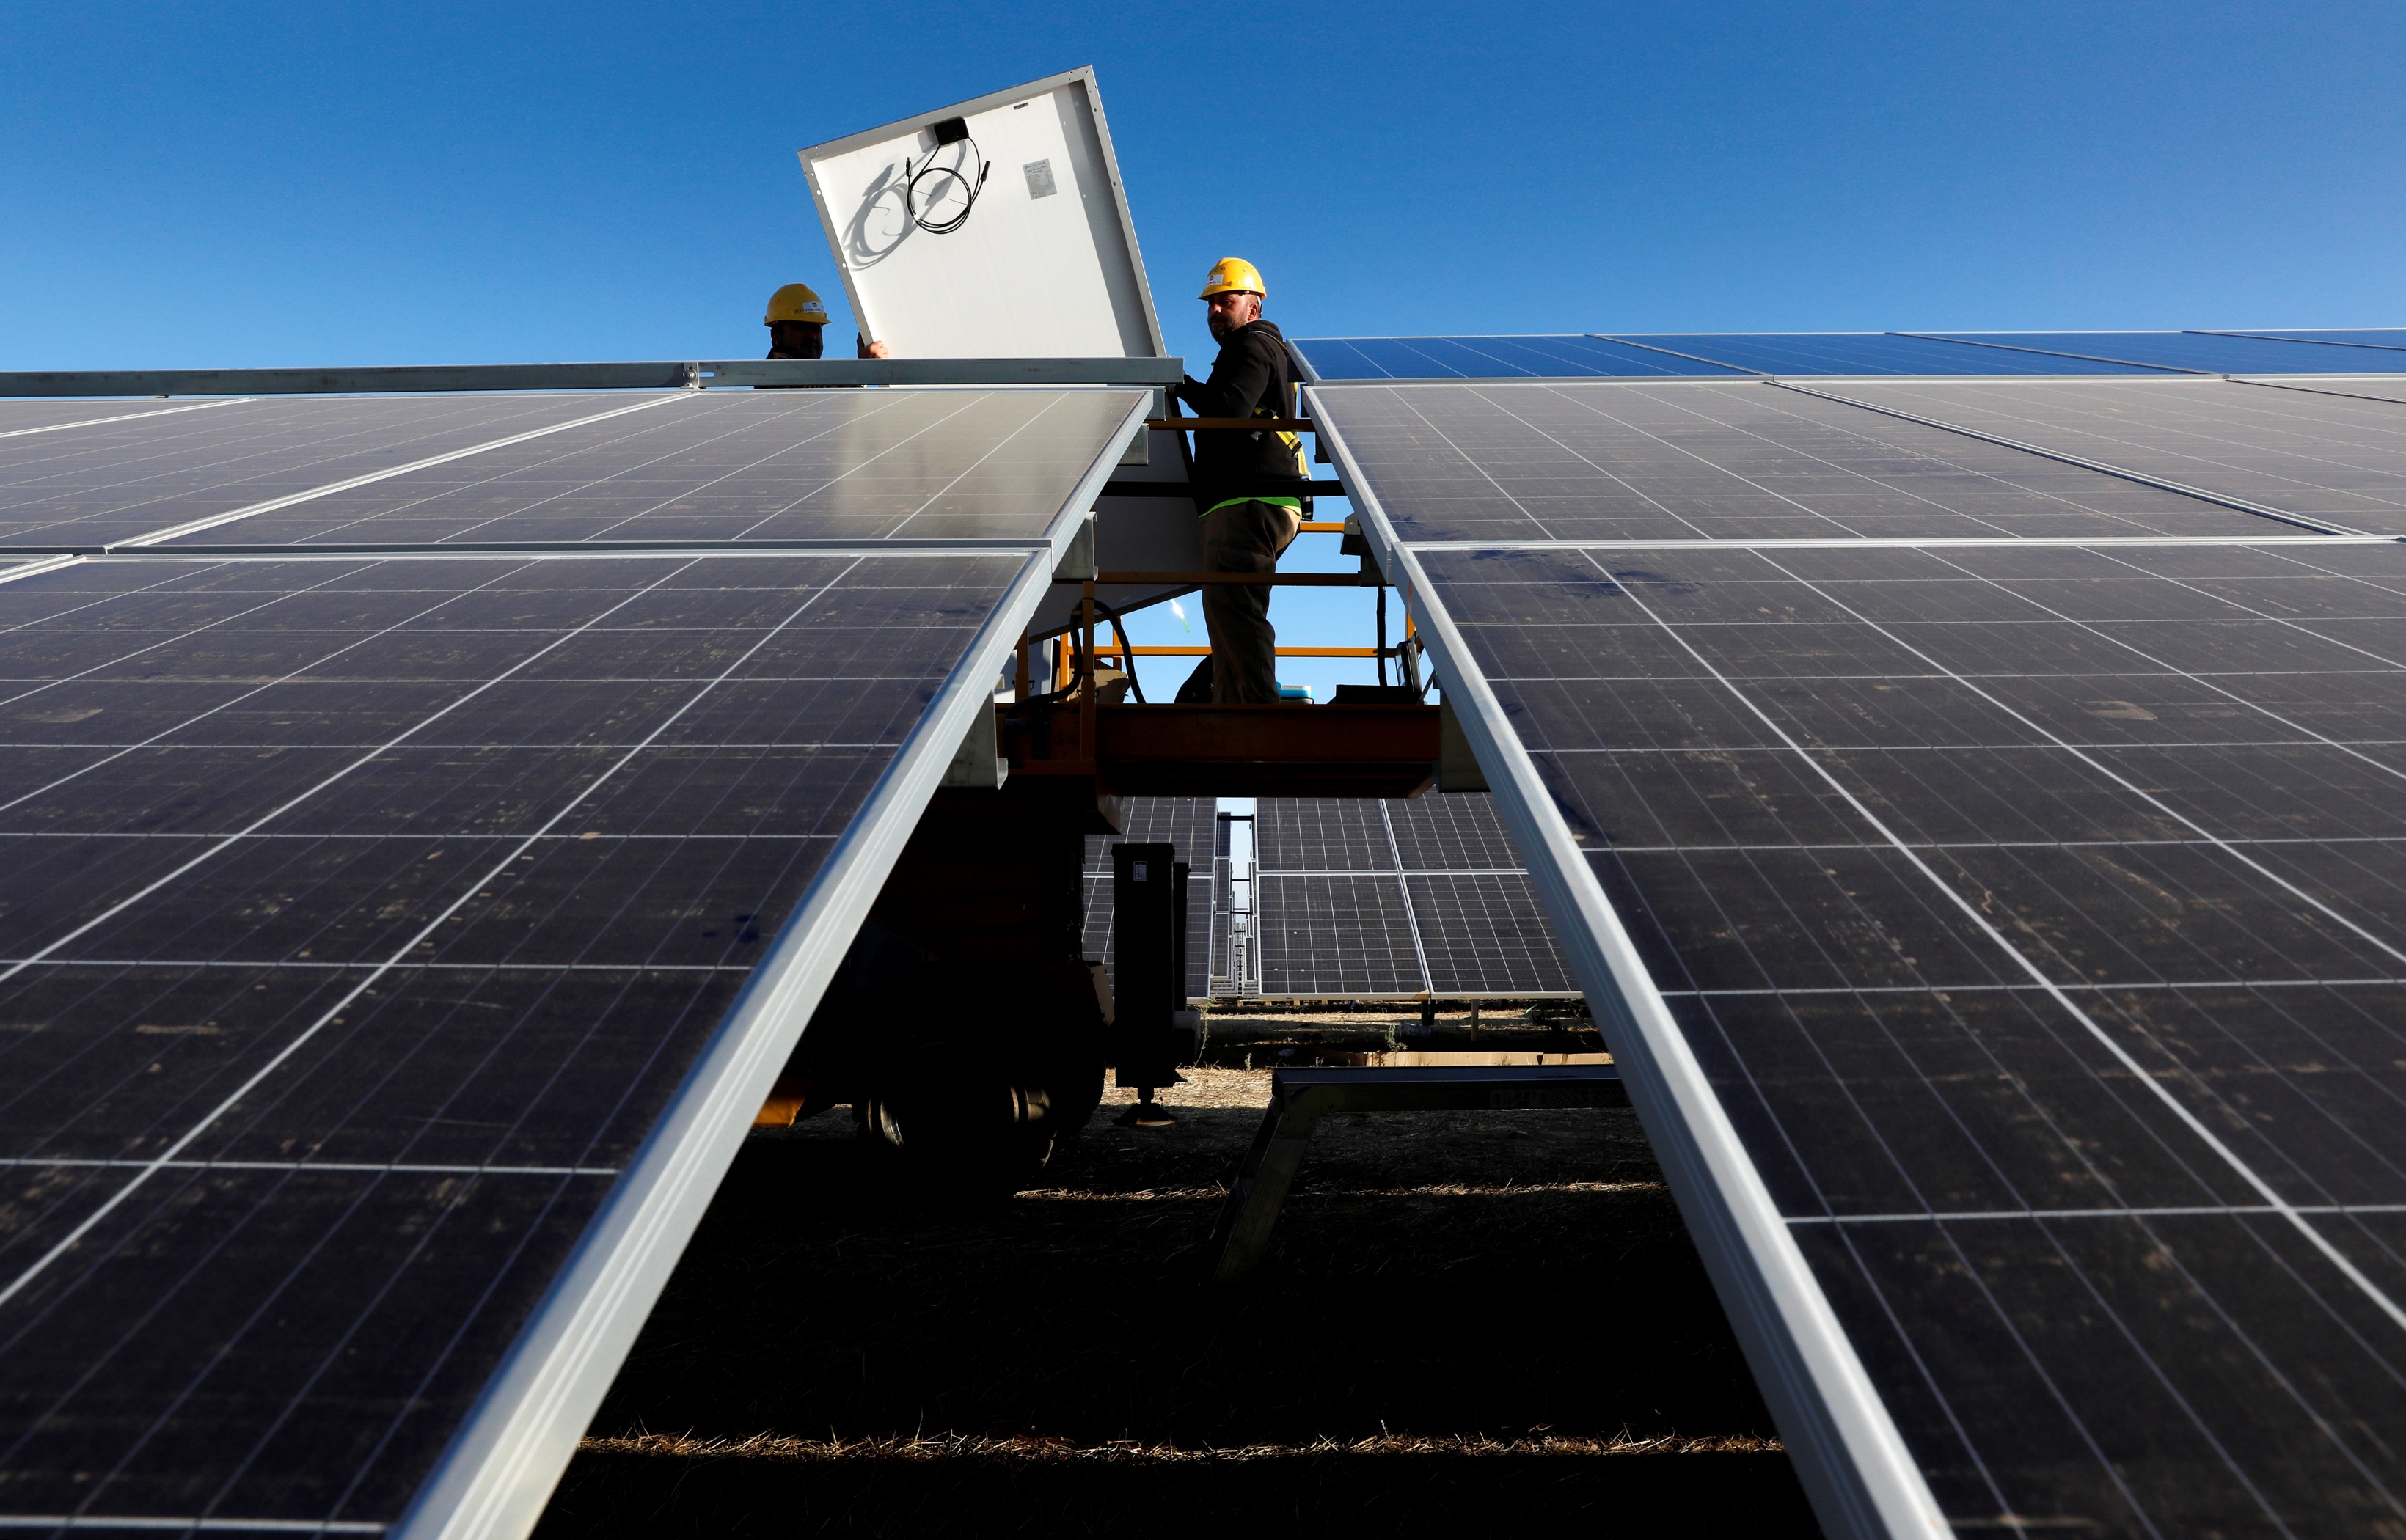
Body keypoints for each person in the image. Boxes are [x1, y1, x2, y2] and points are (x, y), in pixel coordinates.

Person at [1174, 258, 1309, 705]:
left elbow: (1229, 408)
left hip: (1248, 499)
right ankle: (1232, 712)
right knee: (1228, 609)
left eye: (1226, 301)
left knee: (1234, 609)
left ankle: (1258, 716)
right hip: (1253, 499)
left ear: (1253, 305)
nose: (1215, 311)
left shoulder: (1251, 346)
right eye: (1211, 304)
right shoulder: (1262, 349)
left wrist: (1179, 385)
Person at [762, 283, 893, 366]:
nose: (812, 335)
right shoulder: (773, 374)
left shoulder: (815, 376)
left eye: (817, 329)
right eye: (801, 327)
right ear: (777, 336)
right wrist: (863, 370)